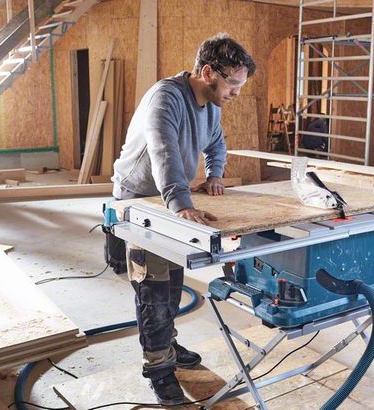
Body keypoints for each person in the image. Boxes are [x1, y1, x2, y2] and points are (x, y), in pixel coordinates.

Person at [111, 33, 256, 405]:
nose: (236, 93)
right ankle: (159, 369)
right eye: (233, 83)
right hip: (139, 200)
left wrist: (215, 174)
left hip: (168, 198)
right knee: (154, 288)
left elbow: (216, 141)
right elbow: (163, 150)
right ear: (208, 73)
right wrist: (180, 202)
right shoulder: (166, 98)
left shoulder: (211, 105)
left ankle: (167, 344)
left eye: (240, 85)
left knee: (173, 282)